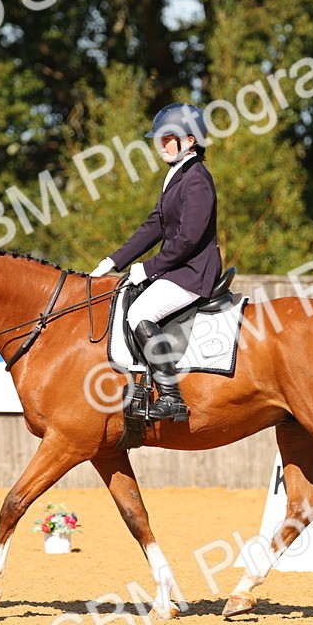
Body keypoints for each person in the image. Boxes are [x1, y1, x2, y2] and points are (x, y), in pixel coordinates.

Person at [90, 103, 222, 422]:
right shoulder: (176, 175)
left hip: (194, 272)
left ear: (190, 140)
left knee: (140, 312)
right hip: (178, 268)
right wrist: (114, 260)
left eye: (168, 138)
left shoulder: (197, 180)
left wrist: (148, 268)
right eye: (160, 138)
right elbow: (155, 226)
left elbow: (188, 238)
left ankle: (171, 397)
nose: (161, 144)